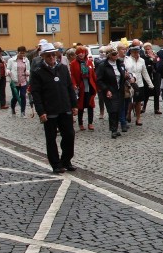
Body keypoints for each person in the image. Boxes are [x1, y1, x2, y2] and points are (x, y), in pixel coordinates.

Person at [29, 42, 77, 173]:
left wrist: (74, 105)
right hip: (49, 109)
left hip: (64, 107)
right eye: (48, 56)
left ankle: (66, 160)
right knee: (51, 138)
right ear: (43, 56)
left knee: (69, 135)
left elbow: (69, 87)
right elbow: (36, 93)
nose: (51, 58)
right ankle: (56, 164)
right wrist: (41, 111)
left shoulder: (62, 68)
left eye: (53, 55)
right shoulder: (37, 71)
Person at [96, 45, 128, 139]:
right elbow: (99, 80)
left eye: (116, 54)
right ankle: (113, 129)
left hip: (119, 90)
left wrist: (127, 76)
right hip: (109, 90)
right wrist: (106, 89)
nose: (116, 56)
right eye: (114, 54)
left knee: (118, 109)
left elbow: (123, 75)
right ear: (109, 55)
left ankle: (116, 128)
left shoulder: (120, 64)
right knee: (112, 110)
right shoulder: (103, 65)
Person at [69, 47, 98, 131]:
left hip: (89, 86)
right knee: (80, 106)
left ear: (85, 53)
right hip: (80, 87)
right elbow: (72, 76)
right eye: (79, 52)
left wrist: (96, 84)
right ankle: (80, 123)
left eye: (82, 52)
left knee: (90, 105)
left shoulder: (89, 62)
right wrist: (74, 84)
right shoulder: (73, 63)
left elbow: (93, 75)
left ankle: (90, 123)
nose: (81, 54)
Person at [125, 45, 154, 126]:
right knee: (130, 102)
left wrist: (150, 84)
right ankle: (128, 114)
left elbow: (144, 72)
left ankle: (138, 118)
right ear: (131, 52)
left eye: (137, 52)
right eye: (134, 52)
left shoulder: (142, 60)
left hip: (140, 84)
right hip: (130, 84)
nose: (136, 53)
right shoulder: (128, 60)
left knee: (138, 102)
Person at [8, 45, 31, 118]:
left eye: (24, 53)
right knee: (15, 96)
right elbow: (8, 68)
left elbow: (28, 69)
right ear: (17, 52)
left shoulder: (26, 60)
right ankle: (13, 109)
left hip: (23, 80)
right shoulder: (11, 60)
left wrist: (27, 72)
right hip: (14, 81)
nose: (22, 55)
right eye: (21, 53)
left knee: (23, 96)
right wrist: (8, 72)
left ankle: (23, 112)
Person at [141, 42, 161, 115]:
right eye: (145, 49)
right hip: (147, 76)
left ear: (151, 49)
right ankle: (144, 107)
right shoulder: (143, 57)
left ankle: (156, 109)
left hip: (156, 76)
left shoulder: (156, 55)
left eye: (148, 49)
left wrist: (153, 59)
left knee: (156, 92)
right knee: (146, 92)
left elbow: (159, 65)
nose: (147, 51)